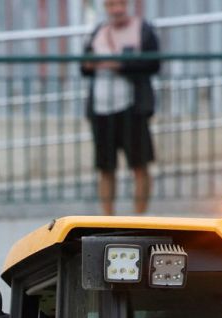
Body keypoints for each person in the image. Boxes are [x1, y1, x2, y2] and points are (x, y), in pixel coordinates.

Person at [81, 0, 161, 215]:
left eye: (120, 4)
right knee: (105, 168)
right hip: (101, 108)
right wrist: (90, 64)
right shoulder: (98, 31)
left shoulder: (142, 30)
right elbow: (84, 66)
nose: (116, 9)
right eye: (110, 5)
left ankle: (140, 218)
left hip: (132, 109)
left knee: (140, 165)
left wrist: (120, 65)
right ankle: (107, 218)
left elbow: (153, 63)